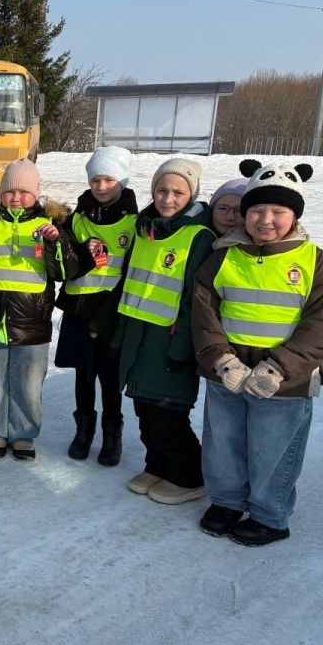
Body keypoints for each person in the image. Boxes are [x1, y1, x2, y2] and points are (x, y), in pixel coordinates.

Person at [193, 160, 323, 546]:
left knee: (273, 448)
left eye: (279, 211)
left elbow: (322, 328)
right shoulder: (224, 257)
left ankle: (270, 515)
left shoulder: (317, 264)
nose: (266, 220)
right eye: (257, 210)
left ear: (295, 214)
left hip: (284, 382)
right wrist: (222, 360)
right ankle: (226, 501)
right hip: (227, 372)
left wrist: (279, 369)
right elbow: (204, 313)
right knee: (223, 442)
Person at [0, 159, 80, 460]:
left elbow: (66, 271)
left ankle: (24, 434)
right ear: (1, 193)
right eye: (10, 191)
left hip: (32, 323)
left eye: (24, 191)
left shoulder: (49, 226)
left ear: (36, 193)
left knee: (27, 384)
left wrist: (55, 242)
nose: (16, 197)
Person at [111, 158, 215, 504]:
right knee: (144, 407)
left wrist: (183, 347)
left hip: (170, 340)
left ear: (192, 194)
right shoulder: (146, 229)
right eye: (161, 190)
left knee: (168, 411)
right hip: (140, 336)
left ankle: (189, 475)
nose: (167, 198)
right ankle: (157, 465)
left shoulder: (198, 236)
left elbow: (194, 301)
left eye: (177, 192)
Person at [55, 146, 138, 466]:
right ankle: (84, 430)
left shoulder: (135, 222)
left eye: (109, 180)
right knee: (84, 374)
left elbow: (133, 269)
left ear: (122, 180)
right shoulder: (77, 217)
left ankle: (112, 434)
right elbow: (66, 259)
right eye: (95, 181)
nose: (101, 187)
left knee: (110, 377)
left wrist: (109, 314)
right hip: (79, 308)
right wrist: (79, 248)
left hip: (113, 309)